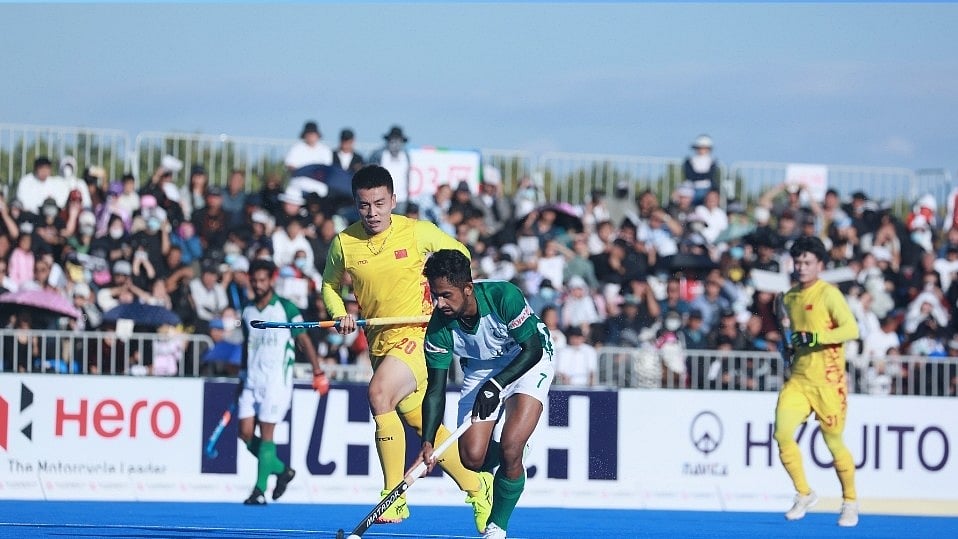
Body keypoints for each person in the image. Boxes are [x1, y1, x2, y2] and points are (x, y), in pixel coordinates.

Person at [321, 165, 492, 529]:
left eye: (380, 204)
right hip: (380, 344)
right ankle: (478, 486)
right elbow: (329, 286)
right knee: (418, 421)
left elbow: (460, 256)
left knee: (379, 394)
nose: (372, 213)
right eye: (364, 205)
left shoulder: (417, 233)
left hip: (419, 336)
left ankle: (392, 498)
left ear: (393, 200)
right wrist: (340, 314)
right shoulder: (343, 244)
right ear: (356, 204)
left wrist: (442, 291)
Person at [418, 249, 555, 539]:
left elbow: (533, 349)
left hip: (528, 358)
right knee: (472, 458)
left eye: (446, 295)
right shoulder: (438, 329)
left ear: (467, 289)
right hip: (481, 368)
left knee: (510, 446)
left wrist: (497, 385)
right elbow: (435, 389)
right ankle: (508, 458)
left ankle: (496, 526)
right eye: (435, 295)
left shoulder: (504, 296)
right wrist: (428, 441)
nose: (439, 303)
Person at [774, 235, 860, 527]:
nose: (801, 267)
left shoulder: (829, 294)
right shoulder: (789, 297)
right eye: (797, 262)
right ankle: (804, 493)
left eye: (807, 262)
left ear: (820, 265)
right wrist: (787, 346)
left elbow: (851, 329)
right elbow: (792, 336)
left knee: (834, 442)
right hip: (799, 379)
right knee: (782, 434)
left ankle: (849, 502)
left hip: (828, 382)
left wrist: (817, 337)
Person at [238, 258, 328, 505]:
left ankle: (259, 490)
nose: (258, 285)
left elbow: (304, 339)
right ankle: (282, 471)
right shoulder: (247, 310)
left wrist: (317, 371)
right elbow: (247, 347)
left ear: (272, 281)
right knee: (245, 434)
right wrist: (241, 376)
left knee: (267, 435)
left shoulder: (286, 308)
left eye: (262, 280)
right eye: (254, 281)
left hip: (276, 381)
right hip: (251, 380)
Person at [367, 126, 412, 210]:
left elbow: (407, 178)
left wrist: (408, 197)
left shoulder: (406, 156)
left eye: (398, 140)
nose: (395, 143)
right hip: (382, 198)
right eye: (393, 140)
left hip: (401, 198)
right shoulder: (379, 155)